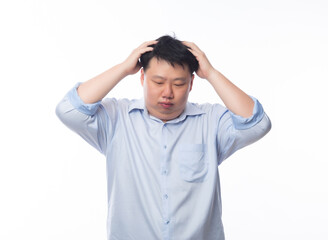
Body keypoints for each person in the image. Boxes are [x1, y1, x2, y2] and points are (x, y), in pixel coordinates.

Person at [56, 35, 271, 240]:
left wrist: (212, 73)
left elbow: (258, 124)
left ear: (191, 84)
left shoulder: (211, 121)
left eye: (178, 84)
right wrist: (123, 69)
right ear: (142, 78)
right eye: (158, 82)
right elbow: (68, 110)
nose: (167, 92)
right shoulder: (117, 119)